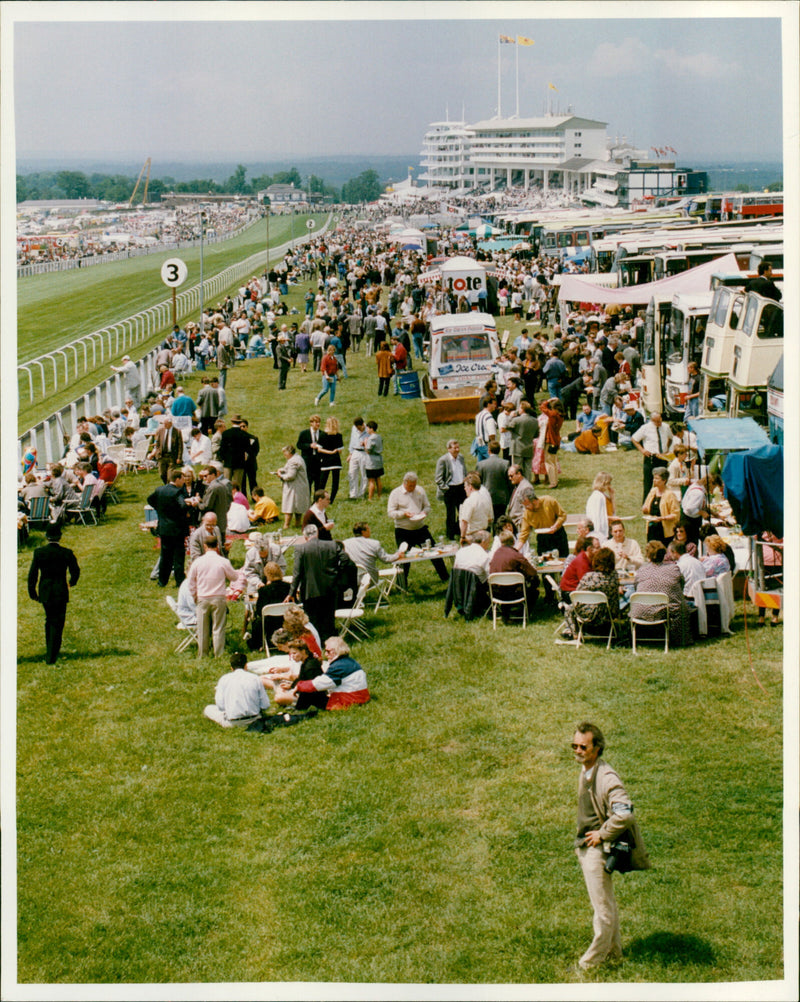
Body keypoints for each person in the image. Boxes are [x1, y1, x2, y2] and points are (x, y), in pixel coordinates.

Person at [572, 722, 649, 971]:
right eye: (574, 746)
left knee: (602, 909)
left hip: (596, 850)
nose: (577, 751)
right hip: (587, 846)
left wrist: (603, 835)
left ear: (597, 748)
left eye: (583, 746)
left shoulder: (606, 777)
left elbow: (625, 814)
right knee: (607, 904)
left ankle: (590, 963)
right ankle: (614, 954)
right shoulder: (587, 770)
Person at [27, 524, 80, 664]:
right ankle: (52, 654)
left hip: (45, 590)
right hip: (60, 590)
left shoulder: (39, 552)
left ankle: (50, 651)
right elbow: (76, 570)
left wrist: (32, 591)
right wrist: (72, 582)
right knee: (58, 622)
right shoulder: (66, 552)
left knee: (49, 620)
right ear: (60, 537)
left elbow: (33, 574)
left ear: (46, 536)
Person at [386, 472, 449, 584]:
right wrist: (404, 514)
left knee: (434, 553)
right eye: (410, 486)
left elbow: (427, 506)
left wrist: (424, 512)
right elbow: (391, 513)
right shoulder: (395, 494)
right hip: (403, 530)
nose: (412, 488)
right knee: (404, 558)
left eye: (414, 485)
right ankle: (401, 584)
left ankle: (445, 578)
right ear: (404, 483)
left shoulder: (420, 491)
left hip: (420, 528)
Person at [187, 536, 245, 658]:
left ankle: (203, 654)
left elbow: (191, 582)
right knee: (218, 627)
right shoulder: (223, 561)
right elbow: (234, 577)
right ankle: (218, 654)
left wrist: (194, 596)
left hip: (202, 597)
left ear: (205, 546)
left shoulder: (197, 562)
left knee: (202, 628)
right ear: (217, 545)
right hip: (218, 597)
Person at [631, 541, 693, 647]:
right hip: (666, 612)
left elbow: (636, 587)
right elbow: (681, 585)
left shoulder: (642, 571)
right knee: (684, 606)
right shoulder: (673, 569)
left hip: (642, 612)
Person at [289, 524, 342, 644]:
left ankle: (317, 644)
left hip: (310, 590)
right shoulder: (332, 545)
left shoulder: (301, 549)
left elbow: (297, 573)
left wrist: (292, 592)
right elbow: (346, 561)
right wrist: (337, 575)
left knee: (313, 621)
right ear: (317, 533)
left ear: (305, 536)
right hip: (330, 589)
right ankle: (331, 643)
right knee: (329, 619)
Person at [294, 636, 370, 710]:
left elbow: (319, 684)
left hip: (348, 701)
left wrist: (299, 685)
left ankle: (298, 710)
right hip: (361, 697)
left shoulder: (338, 667)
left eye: (328, 651)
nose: (326, 654)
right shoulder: (350, 661)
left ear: (335, 651)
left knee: (309, 693)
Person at [563, 547, 621, 641]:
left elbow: (577, 595)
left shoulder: (589, 577)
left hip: (589, 613)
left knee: (569, 608)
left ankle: (574, 633)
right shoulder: (614, 576)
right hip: (608, 612)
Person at [203, 652, 271, 728]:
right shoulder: (255, 678)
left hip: (233, 722)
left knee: (208, 709)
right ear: (246, 666)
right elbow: (265, 705)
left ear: (231, 668)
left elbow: (220, 706)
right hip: (255, 719)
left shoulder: (224, 679)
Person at [147, 468, 190, 587]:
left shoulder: (160, 490)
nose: (184, 482)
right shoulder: (178, 492)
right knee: (178, 556)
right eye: (182, 479)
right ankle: (179, 581)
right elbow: (182, 506)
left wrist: (159, 509)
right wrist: (188, 506)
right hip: (177, 528)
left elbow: (150, 499)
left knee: (165, 556)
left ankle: (162, 581)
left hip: (164, 527)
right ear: (177, 479)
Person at [343, 522, 401, 586]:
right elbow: (386, 559)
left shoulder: (345, 543)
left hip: (350, 580)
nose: (370, 530)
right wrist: (398, 555)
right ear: (363, 532)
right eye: (368, 529)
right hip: (370, 579)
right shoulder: (374, 544)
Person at [632, 412, 672, 502]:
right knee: (648, 482)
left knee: (663, 481)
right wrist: (642, 450)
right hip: (651, 457)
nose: (659, 423)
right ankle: (646, 503)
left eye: (660, 420)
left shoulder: (666, 427)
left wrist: (666, 448)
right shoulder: (645, 428)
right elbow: (634, 439)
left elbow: (670, 437)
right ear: (652, 421)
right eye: (657, 422)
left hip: (662, 457)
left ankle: (661, 501)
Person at [517, 488, 569, 557]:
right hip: (543, 539)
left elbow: (562, 515)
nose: (526, 508)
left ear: (534, 501)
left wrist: (555, 526)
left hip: (558, 536)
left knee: (562, 560)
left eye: (527, 505)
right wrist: (516, 549)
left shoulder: (549, 501)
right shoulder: (527, 514)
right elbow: (524, 533)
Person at [435, 439, 468, 540]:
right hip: (450, 489)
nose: (457, 450)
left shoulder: (461, 458)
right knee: (451, 514)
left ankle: (460, 530)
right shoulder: (443, 460)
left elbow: (464, 471)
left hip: (461, 488)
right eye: (455, 448)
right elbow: (438, 478)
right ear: (449, 449)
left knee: (462, 512)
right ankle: (450, 535)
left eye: (458, 447)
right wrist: (446, 489)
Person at [276, 444, 310, 530]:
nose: (284, 455)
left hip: (294, 487)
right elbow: (290, 469)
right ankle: (297, 524)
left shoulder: (293, 461)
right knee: (298, 506)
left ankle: (286, 525)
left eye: (285, 453)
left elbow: (291, 475)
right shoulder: (297, 458)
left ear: (289, 452)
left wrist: (281, 476)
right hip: (300, 486)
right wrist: (282, 470)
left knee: (289, 506)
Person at [642, 467, 679, 545]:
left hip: (663, 530)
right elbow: (646, 507)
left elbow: (675, 514)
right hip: (652, 528)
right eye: (654, 478)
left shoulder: (670, 495)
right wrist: (645, 509)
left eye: (657, 478)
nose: (654, 480)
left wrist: (662, 518)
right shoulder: (653, 491)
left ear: (664, 480)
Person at [476, 442, 510, 522]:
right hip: (501, 498)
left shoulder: (481, 464)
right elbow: (509, 482)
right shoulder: (505, 464)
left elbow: (478, 482)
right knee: (499, 521)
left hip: (486, 497)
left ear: (489, 451)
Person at [458, 472, 494, 542]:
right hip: (484, 535)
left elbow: (464, 521)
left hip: (472, 536)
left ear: (470, 487)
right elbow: (490, 519)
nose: (465, 489)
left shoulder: (469, 501)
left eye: (465, 487)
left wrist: (462, 537)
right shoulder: (485, 499)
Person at [317, 416, 344, 502]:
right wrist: (333, 452)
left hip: (325, 461)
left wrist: (329, 452)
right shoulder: (339, 435)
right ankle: (331, 499)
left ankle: (319, 498)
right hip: (336, 461)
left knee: (323, 481)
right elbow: (340, 450)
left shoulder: (322, 435)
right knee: (335, 482)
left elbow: (319, 449)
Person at [296, 414, 323, 492]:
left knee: (318, 482)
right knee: (308, 482)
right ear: (311, 423)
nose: (318, 424)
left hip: (318, 461)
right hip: (308, 461)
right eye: (316, 422)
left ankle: (317, 501)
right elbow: (299, 445)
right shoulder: (304, 433)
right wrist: (309, 445)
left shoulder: (322, 434)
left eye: (319, 422)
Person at [506, 465, 533, 531]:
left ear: (519, 474)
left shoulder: (526, 488)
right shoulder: (517, 486)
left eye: (511, 476)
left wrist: (521, 525)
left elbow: (528, 509)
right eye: (509, 476)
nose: (510, 478)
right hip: (515, 525)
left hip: (520, 527)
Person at [347, 416, 369, 500]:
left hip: (364, 453)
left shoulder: (368, 430)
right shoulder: (354, 428)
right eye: (357, 428)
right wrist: (350, 453)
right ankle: (353, 494)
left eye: (360, 428)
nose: (358, 429)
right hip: (355, 452)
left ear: (363, 424)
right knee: (352, 473)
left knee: (364, 474)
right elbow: (352, 440)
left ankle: (361, 493)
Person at [364, 420, 384, 500]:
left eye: (368, 428)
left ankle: (370, 498)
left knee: (371, 480)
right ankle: (379, 496)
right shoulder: (379, 437)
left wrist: (365, 442)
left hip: (371, 461)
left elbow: (368, 450)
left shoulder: (371, 438)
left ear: (371, 428)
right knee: (378, 479)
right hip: (378, 460)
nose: (367, 430)